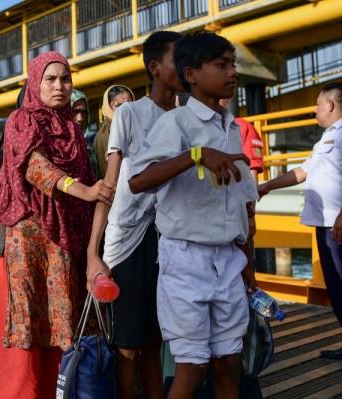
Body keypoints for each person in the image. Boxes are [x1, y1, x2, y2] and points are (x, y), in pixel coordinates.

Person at [128, 31, 258, 399]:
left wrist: (248, 258)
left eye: (233, 64)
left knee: (230, 362)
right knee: (192, 366)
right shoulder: (176, 124)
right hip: (186, 259)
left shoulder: (232, 128)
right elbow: (138, 181)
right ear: (192, 74)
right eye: (222, 65)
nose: (232, 72)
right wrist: (195, 155)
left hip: (228, 259)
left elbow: (243, 203)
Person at [0, 51, 114, 399]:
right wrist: (82, 190)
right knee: (29, 325)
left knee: (63, 322)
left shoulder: (72, 127)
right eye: (51, 79)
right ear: (35, 82)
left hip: (64, 240)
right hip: (27, 239)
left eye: (65, 78)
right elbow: (34, 166)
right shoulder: (21, 119)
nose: (59, 86)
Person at [86, 31, 183, 399]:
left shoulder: (187, 116)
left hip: (169, 237)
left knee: (157, 339)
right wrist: (94, 252)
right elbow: (110, 185)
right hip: (129, 237)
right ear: (155, 68)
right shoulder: (130, 113)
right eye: (179, 58)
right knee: (127, 344)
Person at [258, 82, 342, 360]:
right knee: (336, 287)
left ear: (330, 104)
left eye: (318, 105)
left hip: (337, 225)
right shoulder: (326, 138)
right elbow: (302, 172)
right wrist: (267, 186)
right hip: (324, 224)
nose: (315, 111)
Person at [93, 85, 135, 178]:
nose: (125, 110)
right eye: (119, 106)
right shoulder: (103, 136)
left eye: (130, 104)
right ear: (108, 108)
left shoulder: (137, 128)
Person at [71, 89, 101, 179]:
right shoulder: (58, 146)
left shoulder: (87, 144)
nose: (80, 118)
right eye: (75, 112)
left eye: (84, 112)